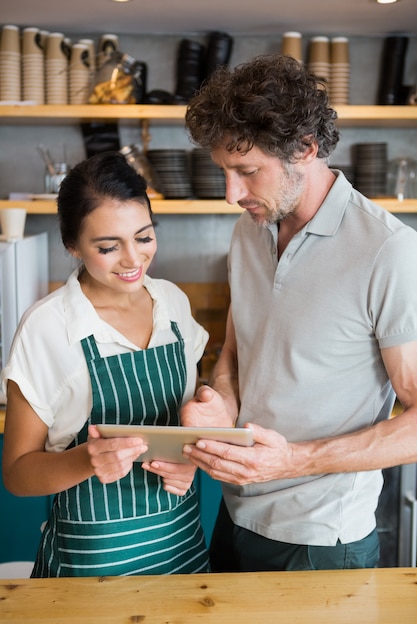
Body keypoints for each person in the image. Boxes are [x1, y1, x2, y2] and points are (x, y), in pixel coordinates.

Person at [181, 53, 417, 572]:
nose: (230, 194)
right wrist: (219, 400)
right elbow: (239, 349)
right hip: (234, 511)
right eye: (224, 172)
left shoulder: (388, 250)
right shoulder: (249, 229)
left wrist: (293, 460)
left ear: (305, 149)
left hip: (321, 540)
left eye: (246, 172)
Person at [1, 151, 210, 577]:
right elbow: (18, 474)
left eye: (144, 237)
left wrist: (192, 456)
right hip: (93, 566)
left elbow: (193, 413)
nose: (133, 259)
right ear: (72, 245)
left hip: (182, 550)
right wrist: (87, 460)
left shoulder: (172, 303)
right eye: (109, 247)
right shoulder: (48, 327)